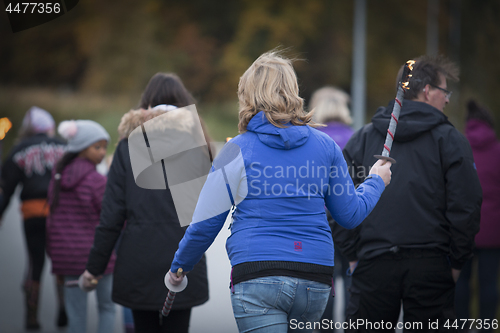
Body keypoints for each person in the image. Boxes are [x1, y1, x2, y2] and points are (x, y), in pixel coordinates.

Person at [167, 50, 392, 333]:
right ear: (293, 90)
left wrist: (179, 267)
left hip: (257, 274)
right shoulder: (326, 147)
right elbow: (349, 214)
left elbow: (206, 222)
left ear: (247, 94)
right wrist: (375, 181)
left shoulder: (236, 149)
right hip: (314, 277)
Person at [332, 55, 482, 331]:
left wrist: (353, 255)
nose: (447, 99)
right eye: (445, 91)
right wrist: (456, 263)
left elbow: (336, 200)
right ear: (427, 91)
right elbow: (467, 207)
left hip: (372, 263)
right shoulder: (450, 141)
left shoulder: (364, 138)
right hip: (431, 264)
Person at [82, 73, 209, 333]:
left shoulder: (128, 146)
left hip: (138, 261)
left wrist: (93, 269)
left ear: (146, 105)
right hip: (184, 260)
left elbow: (111, 217)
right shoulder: (196, 146)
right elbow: (207, 213)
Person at [0, 106, 67, 330]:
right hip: (58, 212)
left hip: (32, 213)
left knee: (34, 262)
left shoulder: (19, 149)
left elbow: (6, 188)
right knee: (60, 261)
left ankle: (31, 316)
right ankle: (64, 311)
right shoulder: (62, 146)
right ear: (49, 128)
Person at [46, 120, 116, 333]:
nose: (102, 152)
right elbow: (110, 218)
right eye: (97, 147)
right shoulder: (97, 181)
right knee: (107, 307)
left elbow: (52, 218)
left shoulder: (57, 177)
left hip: (67, 258)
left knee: (76, 313)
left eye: (104, 147)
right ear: (81, 148)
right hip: (98, 258)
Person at [309, 87, 354, 330]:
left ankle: (323, 327)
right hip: (349, 220)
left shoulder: (310, 139)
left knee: (323, 282)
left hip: (318, 222)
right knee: (350, 278)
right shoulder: (356, 137)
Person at [455, 100, 500, 331]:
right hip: (493, 232)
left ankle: (462, 326)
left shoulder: (459, 147)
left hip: (464, 228)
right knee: (489, 283)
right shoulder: (498, 150)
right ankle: (486, 326)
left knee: (462, 281)